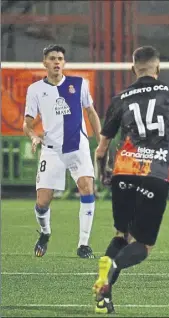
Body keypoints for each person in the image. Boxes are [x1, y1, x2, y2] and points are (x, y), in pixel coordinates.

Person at [92, 45, 169, 314]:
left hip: (124, 170)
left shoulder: (120, 97)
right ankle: (111, 272)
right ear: (158, 67)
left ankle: (103, 296)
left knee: (122, 234)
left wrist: (103, 173)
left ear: (133, 69)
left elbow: (100, 149)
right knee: (143, 245)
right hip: (155, 173)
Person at [23, 44, 102, 259]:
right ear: (45, 63)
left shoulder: (79, 84)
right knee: (42, 202)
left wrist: (101, 139)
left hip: (78, 147)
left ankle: (83, 244)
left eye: (60, 58)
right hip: (52, 150)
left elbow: (91, 112)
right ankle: (46, 233)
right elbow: (27, 123)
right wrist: (33, 136)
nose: (57, 62)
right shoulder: (35, 90)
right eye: (52, 58)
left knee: (87, 188)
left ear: (64, 63)